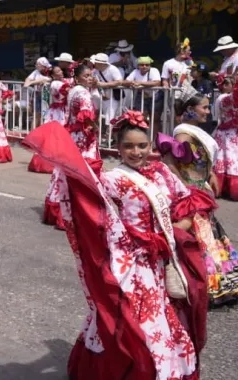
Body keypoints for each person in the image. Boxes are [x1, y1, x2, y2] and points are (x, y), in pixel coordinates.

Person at [23, 114, 209, 380]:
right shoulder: (112, 180)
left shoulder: (162, 172)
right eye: (129, 146)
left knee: (165, 321)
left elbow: (186, 201)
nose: (136, 152)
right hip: (133, 262)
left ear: (150, 145)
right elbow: (96, 215)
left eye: (142, 145)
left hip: (162, 261)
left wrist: (180, 227)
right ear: (118, 147)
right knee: (132, 322)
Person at [158, 89, 238, 306]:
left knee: (208, 235)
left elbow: (197, 161)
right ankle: (205, 284)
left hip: (200, 190)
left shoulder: (193, 131)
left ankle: (215, 282)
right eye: (203, 107)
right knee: (201, 237)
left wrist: (210, 174)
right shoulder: (183, 134)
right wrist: (187, 189)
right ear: (190, 110)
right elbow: (172, 164)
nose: (207, 111)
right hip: (192, 194)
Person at [43, 63, 99, 230]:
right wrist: (94, 127)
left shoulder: (73, 90)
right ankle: (76, 211)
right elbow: (86, 116)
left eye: (91, 75)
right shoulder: (83, 93)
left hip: (73, 135)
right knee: (81, 171)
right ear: (77, 77)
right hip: (82, 136)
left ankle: (58, 204)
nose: (90, 78)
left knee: (65, 169)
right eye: (86, 75)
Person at [27, 65, 66, 174]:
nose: (61, 72)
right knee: (54, 136)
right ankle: (49, 162)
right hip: (57, 112)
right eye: (57, 71)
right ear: (53, 75)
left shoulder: (61, 82)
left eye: (61, 70)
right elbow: (66, 92)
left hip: (60, 111)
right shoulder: (56, 84)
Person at [214, 75, 238, 200]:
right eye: (230, 83)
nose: (233, 86)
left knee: (225, 160)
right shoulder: (225, 98)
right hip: (230, 133)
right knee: (230, 160)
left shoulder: (220, 98)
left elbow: (216, 116)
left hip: (224, 131)